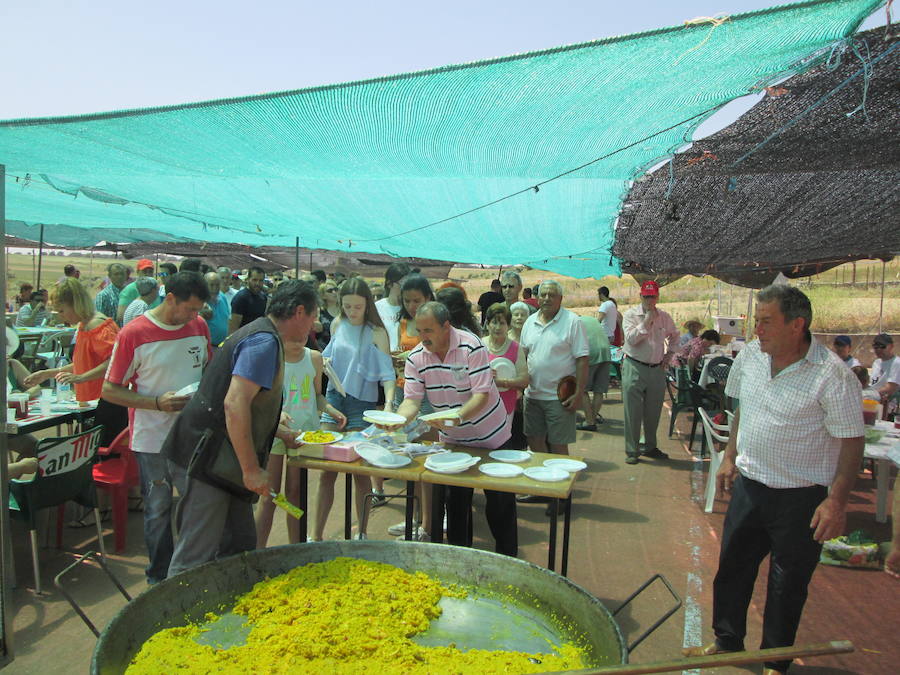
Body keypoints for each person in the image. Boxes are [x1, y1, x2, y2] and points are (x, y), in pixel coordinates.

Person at [685, 284, 864, 675]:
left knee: (787, 583)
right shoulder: (750, 355)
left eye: (766, 321)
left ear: (797, 324)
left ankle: (774, 661)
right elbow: (742, 409)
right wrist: (730, 456)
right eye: (756, 321)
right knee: (733, 567)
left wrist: (836, 501)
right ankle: (727, 641)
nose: (757, 329)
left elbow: (852, 441)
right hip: (751, 485)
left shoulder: (831, 374)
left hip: (801, 498)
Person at [162, 280, 316, 576]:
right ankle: (175, 618)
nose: (314, 324)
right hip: (206, 459)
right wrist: (250, 469)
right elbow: (234, 404)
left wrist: (278, 432)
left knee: (241, 543)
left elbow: (249, 404)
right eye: (312, 315)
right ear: (299, 312)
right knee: (195, 555)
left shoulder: (266, 337)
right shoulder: (263, 342)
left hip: (223, 462)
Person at [102, 271, 212, 584]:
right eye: (189, 309)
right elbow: (110, 389)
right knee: (158, 509)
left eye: (198, 310)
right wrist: (156, 403)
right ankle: (159, 578)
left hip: (191, 435)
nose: (193, 316)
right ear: (170, 299)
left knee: (198, 503)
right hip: (152, 440)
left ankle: (191, 568)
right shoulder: (134, 333)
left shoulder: (199, 326)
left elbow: (207, 369)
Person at [384, 301, 516, 556]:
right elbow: (412, 400)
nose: (423, 338)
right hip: (454, 441)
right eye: (419, 331)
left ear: (446, 326)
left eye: (428, 331)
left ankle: (509, 559)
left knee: (500, 505)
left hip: (493, 437)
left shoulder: (471, 345)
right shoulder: (416, 357)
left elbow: (482, 395)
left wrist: (458, 416)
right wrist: (396, 422)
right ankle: (459, 562)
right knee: (455, 506)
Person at [315, 278, 395, 541]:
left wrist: (391, 404)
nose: (352, 311)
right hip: (334, 398)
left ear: (367, 305)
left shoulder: (377, 332)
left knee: (360, 471)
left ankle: (362, 533)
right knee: (327, 471)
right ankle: (315, 535)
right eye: (347, 306)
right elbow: (327, 358)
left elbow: (387, 374)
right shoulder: (338, 324)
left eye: (357, 307)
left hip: (362, 403)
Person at [256, 337, 346, 548]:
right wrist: (278, 415)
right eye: (293, 336)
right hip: (277, 433)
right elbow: (261, 400)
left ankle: (295, 547)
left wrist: (331, 411)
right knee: (270, 494)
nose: (297, 341)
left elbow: (316, 396)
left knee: (295, 492)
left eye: (303, 335)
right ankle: (257, 550)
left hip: (304, 434)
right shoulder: (273, 359)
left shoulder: (314, 358)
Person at [25, 278, 128, 445]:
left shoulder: (96, 325)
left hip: (108, 401)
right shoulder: (84, 325)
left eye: (62, 311)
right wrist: (47, 373)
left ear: (75, 304)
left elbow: (114, 362)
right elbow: (84, 364)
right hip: (94, 401)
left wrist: (81, 378)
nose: (61, 316)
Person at [518, 280, 589, 471]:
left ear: (560, 299)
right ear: (538, 298)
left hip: (559, 397)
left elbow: (582, 359)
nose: (547, 298)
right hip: (532, 396)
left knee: (558, 446)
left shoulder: (572, 321)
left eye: (552, 295)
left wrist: (579, 394)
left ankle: (561, 496)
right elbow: (523, 356)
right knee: (535, 442)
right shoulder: (529, 322)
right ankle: (542, 487)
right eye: (543, 294)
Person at [621, 280, 679, 465]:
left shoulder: (664, 317)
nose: (649, 300)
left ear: (657, 297)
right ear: (640, 296)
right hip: (634, 365)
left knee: (653, 411)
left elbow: (675, 335)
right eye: (646, 296)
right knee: (633, 411)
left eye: (652, 296)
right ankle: (632, 450)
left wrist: (669, 355)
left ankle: (650, 446)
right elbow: (631, 340)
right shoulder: (631, 315)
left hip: (656, 369)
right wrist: (646, 321)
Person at [484, 303, 528, 449]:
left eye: (502, 323)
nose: (497, 327)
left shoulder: (516, 348)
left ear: (508, 326)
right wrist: (484, 374)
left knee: (501, 444)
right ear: (487, 324)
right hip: (481, 404)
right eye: (494, 322)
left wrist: (500, 382)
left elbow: (524, 380)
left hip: (506, 405)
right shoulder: (480, 345)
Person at [576, 314, 612, 431]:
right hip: (606, 351)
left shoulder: (574, 322)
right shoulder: (591, 319)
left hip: (591, 352)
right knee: (599, 390)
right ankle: (592, 417)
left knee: (582, 389)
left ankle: (589, 421)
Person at [375, 263, 411, 352]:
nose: (405, 288)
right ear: (389, 284)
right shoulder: (377, 307)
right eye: (402, 284)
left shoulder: (411, 309)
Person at [116, 259, 158, 324]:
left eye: (150, 272)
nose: (148, 274)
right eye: (145, 271)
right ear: (138, 272)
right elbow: (120, 316)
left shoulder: (155, 287)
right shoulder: (129, 290)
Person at [228, 266, 268, 333]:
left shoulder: (263, 297)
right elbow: (233, 328)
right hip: (243, 339)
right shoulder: (241, 298)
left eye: (260, 280)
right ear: (248, 279)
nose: (257, 283)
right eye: (254, 280)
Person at [870, 333, 899, 417]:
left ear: (891, 346)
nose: (878, 349)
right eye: (875, 346)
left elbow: (890, 388)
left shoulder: (896, 363)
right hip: (872, 401)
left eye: (882, 346)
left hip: (887, 404)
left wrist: (868, 394)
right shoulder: (876, 362)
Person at [201, 272, 231, 348]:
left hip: (223, 345)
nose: (215, 288)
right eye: (211, 285)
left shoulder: (222, 297)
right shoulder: (200, 302)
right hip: (207, 347)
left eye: (217, 285)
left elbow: (227, 319)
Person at [317, 279, 340, 348]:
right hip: (324, 349)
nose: (334, 292)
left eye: (335, 289)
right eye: (330, 291)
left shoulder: (345, 310)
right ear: (323, 296)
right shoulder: (320, 311)